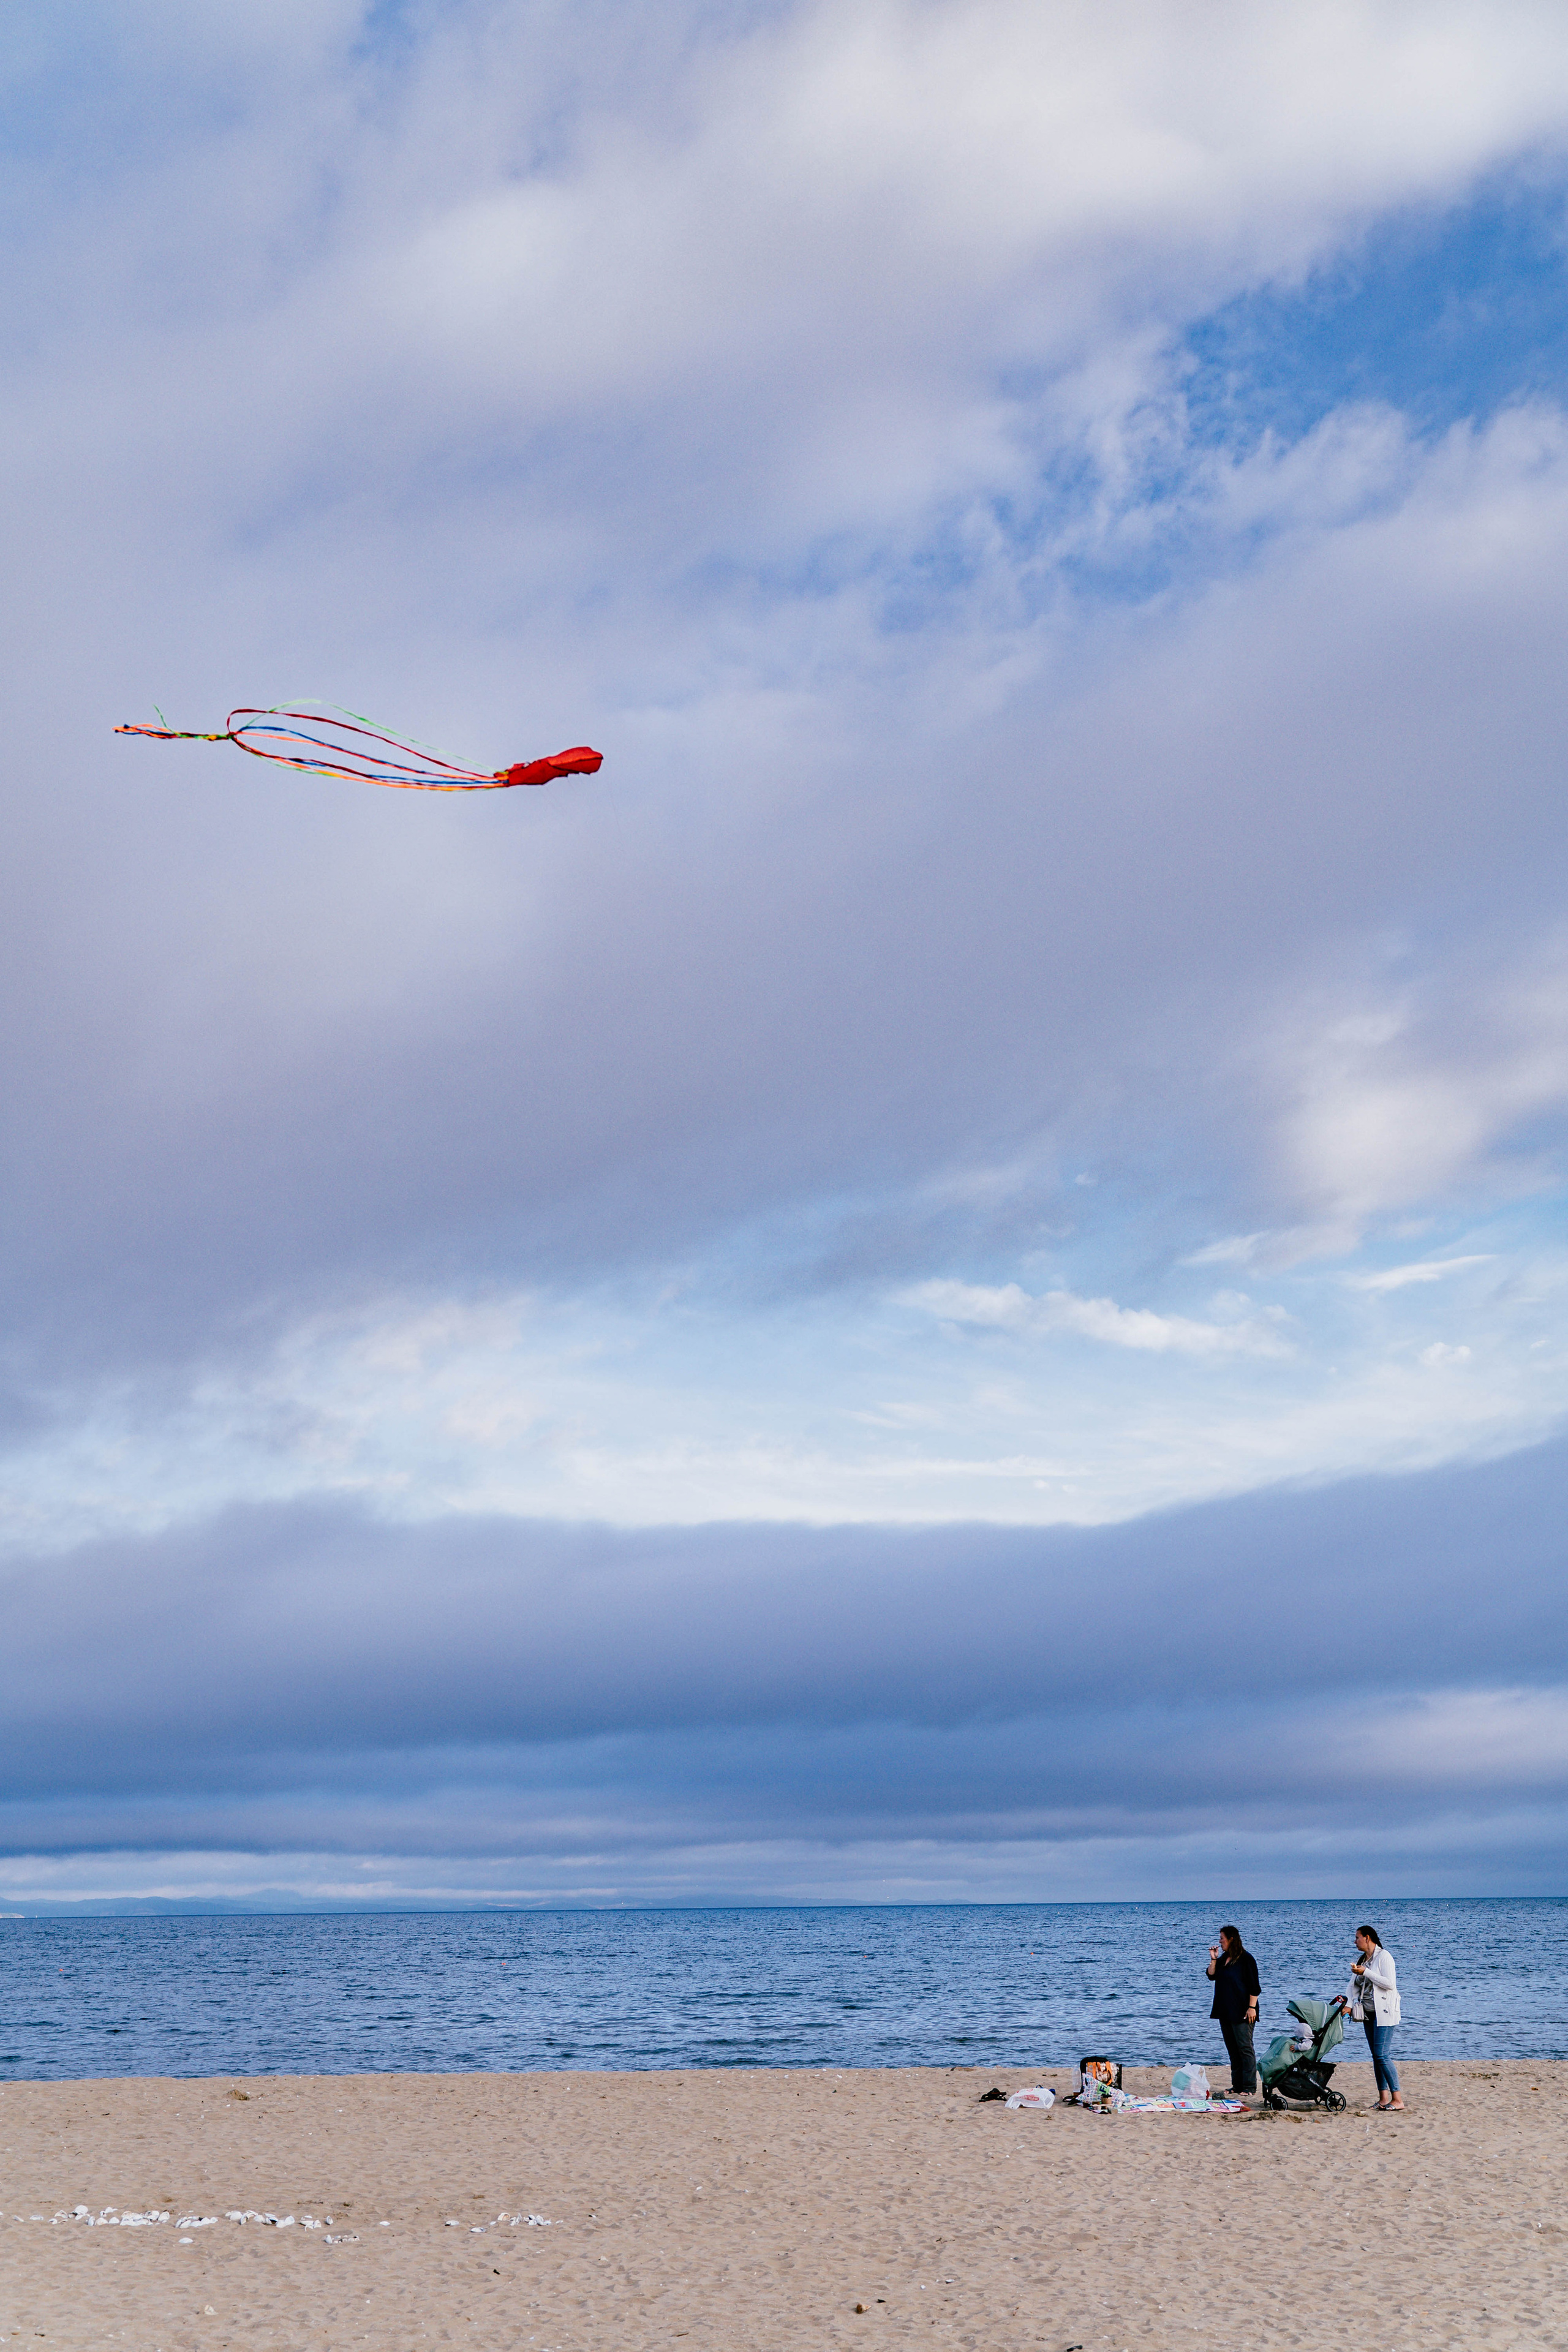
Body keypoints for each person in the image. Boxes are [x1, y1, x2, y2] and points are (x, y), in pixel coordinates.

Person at [1346, 1924, 1403, 2111]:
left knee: (1382, 2055)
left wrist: (1367, 1973)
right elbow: (1353, 1984)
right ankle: (1383, 2098)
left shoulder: (1384, 1957)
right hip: (1369, 2013)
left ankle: (1398, 2099)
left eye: (1357, 1937)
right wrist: (1348, 2004)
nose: (1355, 1941)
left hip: (1385, 2012)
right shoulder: (1363, 1959)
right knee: (1376, 2057)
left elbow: (1390, 1984)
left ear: (1368, 1938)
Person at [1205, 1924, 1260, 2095]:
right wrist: (1214, 1959)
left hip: (1243, 2011)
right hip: (1225, 2011)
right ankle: (1237, 2085)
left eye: (1222, 1938)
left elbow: (1255, 1987)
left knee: (1245, 2048)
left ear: (1231, 1939)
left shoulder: (1246, 1959)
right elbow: (1211, 1975)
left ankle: (1250, 2087)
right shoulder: (1224, 1959)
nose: (1219, 1942)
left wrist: (1252, 2008)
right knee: (1233, 2050)